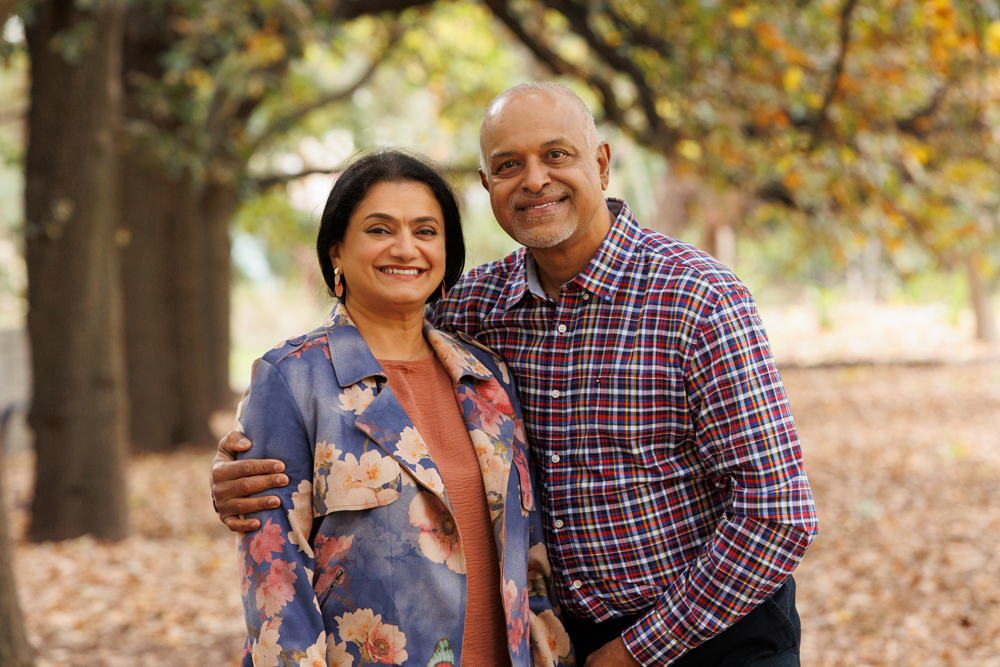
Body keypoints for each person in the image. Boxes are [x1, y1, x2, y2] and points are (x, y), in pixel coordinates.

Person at [213, 83, 818, 667]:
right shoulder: (475, 315)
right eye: (508, 165)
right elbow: (360, 349)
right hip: (563, 639)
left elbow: (778, 512)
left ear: (602, 164)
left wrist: (633, 654)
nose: (534, 179)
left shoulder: (698, 300)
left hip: (710, 635)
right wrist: (241, 473)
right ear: (486, 185)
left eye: (557, 155)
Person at [229, 148, 573, 667]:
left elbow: (530, 562)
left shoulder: (488, 378)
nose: (406, 248)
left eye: (426, 230)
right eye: (379, 229)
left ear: (447, 252)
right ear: (336, 251)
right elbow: (275, 581)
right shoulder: (293, 380)